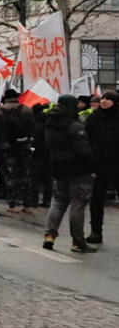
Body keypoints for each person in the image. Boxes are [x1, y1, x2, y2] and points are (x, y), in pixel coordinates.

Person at [41, 95, 99, 253]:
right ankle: (78, 241)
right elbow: (83, 150)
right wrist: (90, 169)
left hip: (57, 166)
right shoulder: (74, 125)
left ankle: (49, 235)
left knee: (58, 202)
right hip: (76, 168)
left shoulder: (50, 122)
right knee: (77, 204)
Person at [0, 89, 35, 213]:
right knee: (26, 175)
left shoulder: (0, 111)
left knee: (11, 176)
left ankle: (14, 204)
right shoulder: (27, 109)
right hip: (24, 146)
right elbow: (33, 127)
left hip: (8, 148)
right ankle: (28, 204)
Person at [84, 90, 118, 244]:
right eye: (103, 98)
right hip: (99, 164)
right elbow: (87, 141)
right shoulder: (94, 118)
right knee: (97, 199)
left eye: (108, 99)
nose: (104, 101)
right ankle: (96, 231)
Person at [30, 103, 53, 208]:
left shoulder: (35, 124)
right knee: (48, 178)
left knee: (35, 178)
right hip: (49, 153)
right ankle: (47, 200)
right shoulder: (49, 122)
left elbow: (35, 140)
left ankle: (34, 200)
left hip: (37, 154)